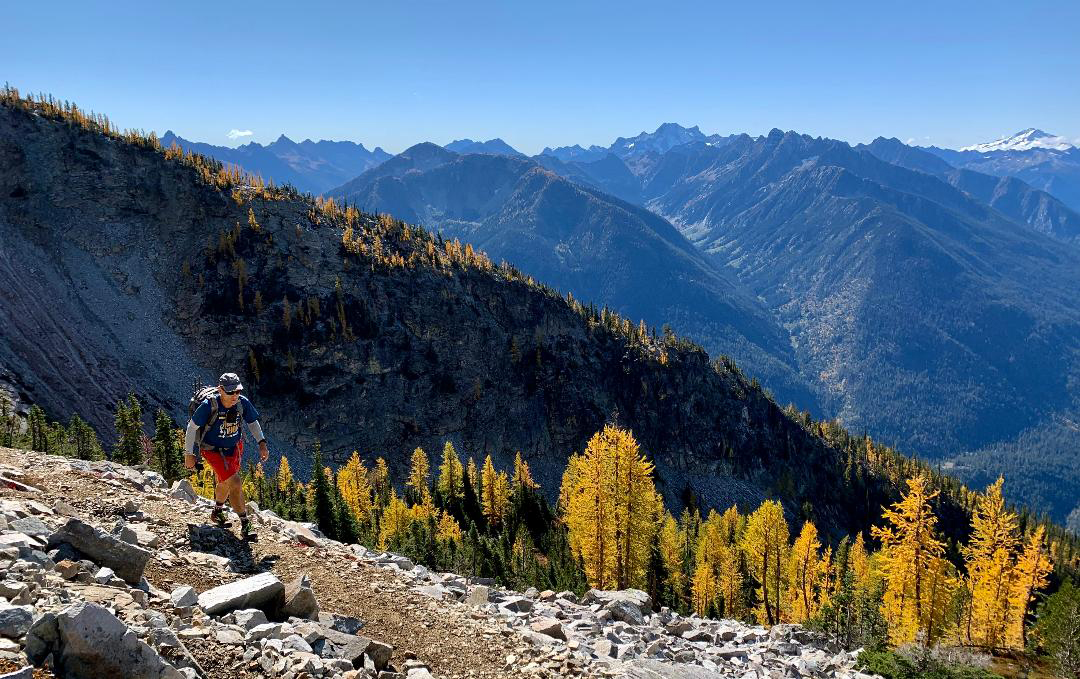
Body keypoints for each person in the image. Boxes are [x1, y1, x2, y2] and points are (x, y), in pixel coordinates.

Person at [183, 372, 269, 538]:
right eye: (230, 392)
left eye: (237, 391)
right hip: (213, 450)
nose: (235, 395)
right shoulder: (209, 405)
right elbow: (191, 428)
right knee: (235, 482)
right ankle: (245, 523)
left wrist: (262, 443)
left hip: (234, 448)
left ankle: (217, 512)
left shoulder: (242, 403)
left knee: (225, 480)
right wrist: (189, 454)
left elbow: (252, 422)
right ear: (220, 389)